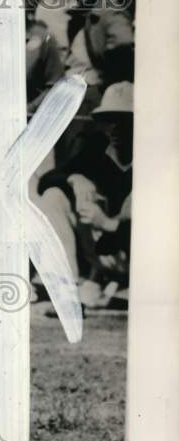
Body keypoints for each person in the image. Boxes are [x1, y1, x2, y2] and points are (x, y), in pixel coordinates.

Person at [34, 82, 133, 310]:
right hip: (101, 252)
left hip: (136, 254)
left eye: (124, 119)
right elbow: (48, 179)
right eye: (110, 119)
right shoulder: (99, 147)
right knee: (53, 196)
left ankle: (116, 287)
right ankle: (66, 288)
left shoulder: (154, 157)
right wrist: (75, 178)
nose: (116, 128)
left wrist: (108, 224)